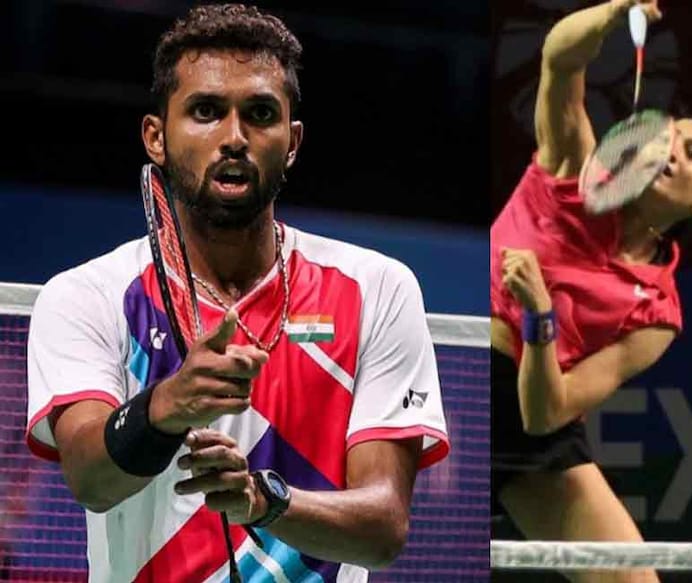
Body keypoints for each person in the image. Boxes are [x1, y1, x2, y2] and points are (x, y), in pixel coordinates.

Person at [24, 5, 448, 582]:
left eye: (259, 114)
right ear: (156, 137)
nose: (233, 137)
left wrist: (265, 502)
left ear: (292, 141)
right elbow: (91, 481)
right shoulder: (87, 297)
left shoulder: (376, 289)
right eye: (205, 111)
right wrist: (166, 406)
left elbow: (383, 527)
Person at [490, 0, 692, 581]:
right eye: (668, 137)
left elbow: (547, 414)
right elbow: (560, 56)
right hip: (459, 380)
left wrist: (540, 316)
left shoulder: (658, 312)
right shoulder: (572, 168)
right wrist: (616, 8)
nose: (672, 149)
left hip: (529, 415)